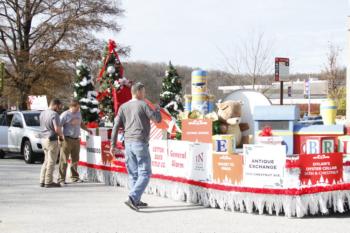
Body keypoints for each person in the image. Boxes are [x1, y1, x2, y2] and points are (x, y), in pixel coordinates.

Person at [110, 82, 161, 211]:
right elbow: (157, 119)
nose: (145, 94)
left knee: (133, 173)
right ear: (138, 92)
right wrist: (157, 109)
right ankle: (133, 197)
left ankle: (136, 200)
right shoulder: (143, 105)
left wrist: (112, 144)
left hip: (128, 143)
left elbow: (115, 126)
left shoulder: (123, 107)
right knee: (145, 172)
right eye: (143, 92)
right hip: (140, 142)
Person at [58, 99, 92, 185]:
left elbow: (81, 124)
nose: (78, 110)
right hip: (67, 139)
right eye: (76, 108)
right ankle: (61, 179)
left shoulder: (78, 113)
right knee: (64, 160)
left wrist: (87, 129)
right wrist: (60, 136)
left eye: (78, 108)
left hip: (76, 139)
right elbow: (58, 126)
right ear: (71, 106)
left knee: (75, 159)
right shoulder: (65, 114)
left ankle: (74, 177)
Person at [39, 99, 64, 188]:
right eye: (59, 107)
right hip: (51, 139)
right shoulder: (54, 114)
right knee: (51, 161)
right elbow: (56, 128)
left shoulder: (43, 113)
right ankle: (48, 181)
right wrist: (61, 136)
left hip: (43, 139)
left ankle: (42, 180)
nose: (59, 109)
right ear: (55, 105)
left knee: (46, 161)